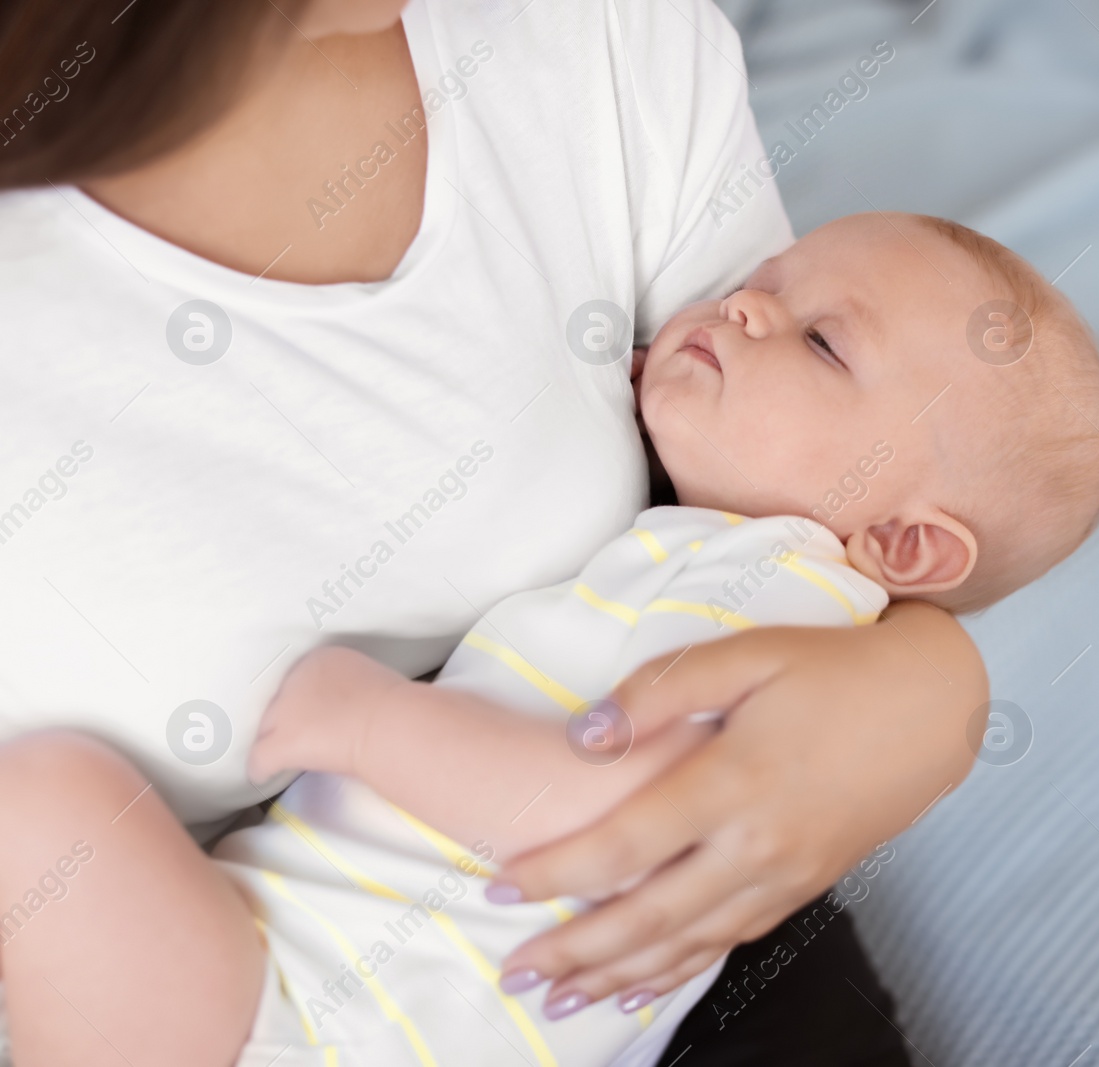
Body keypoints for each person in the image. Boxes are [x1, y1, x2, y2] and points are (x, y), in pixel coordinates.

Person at [0, 1, 989, 1064]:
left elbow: (827, 485)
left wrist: (935, 694)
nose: (749, 314)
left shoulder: (605, 39)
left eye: (821, 340)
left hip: (619, 967)